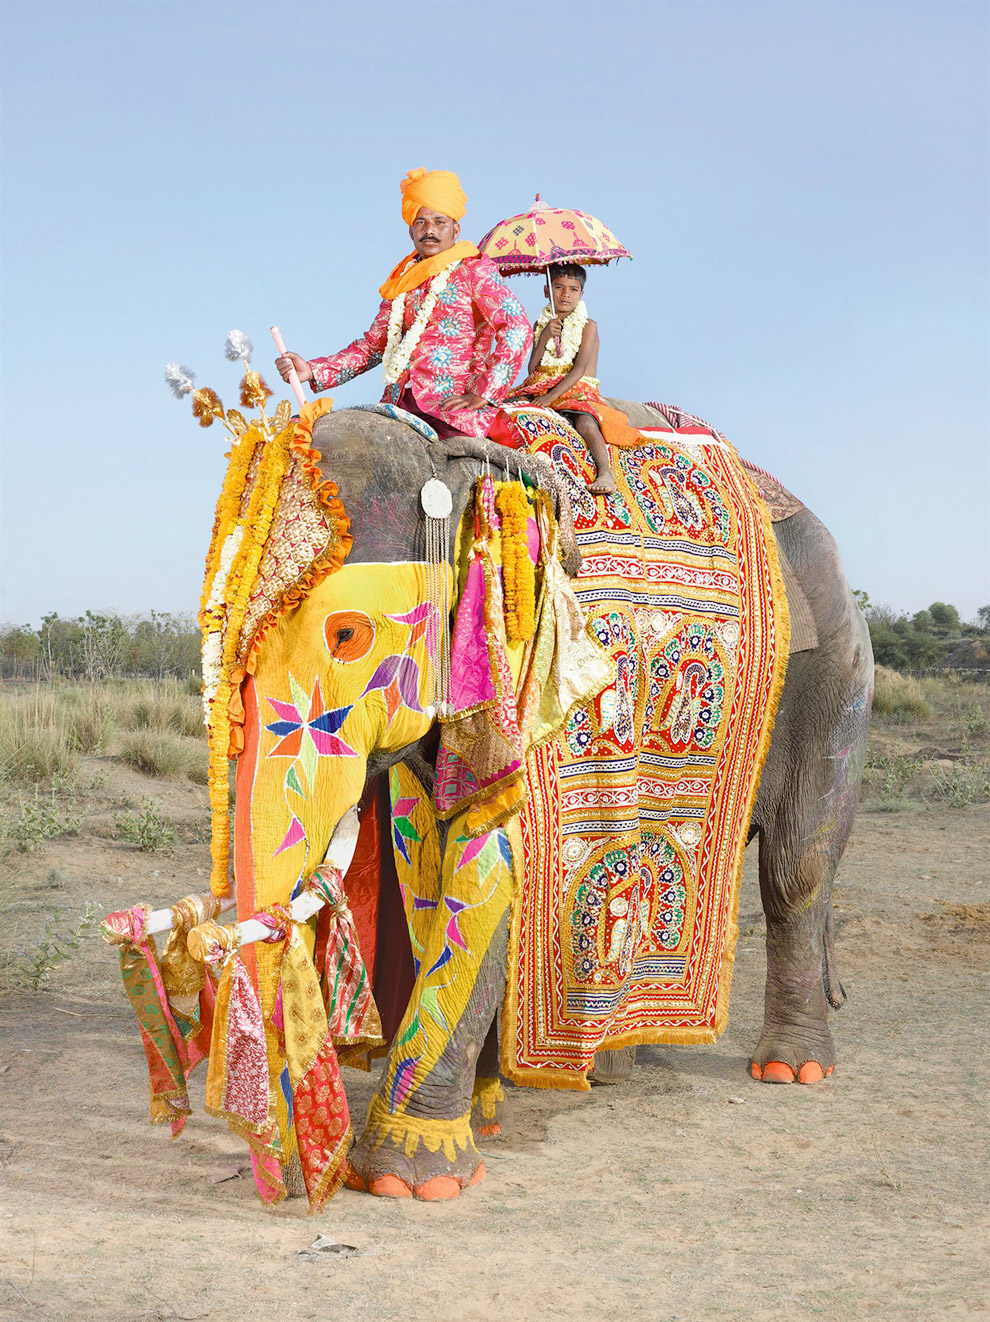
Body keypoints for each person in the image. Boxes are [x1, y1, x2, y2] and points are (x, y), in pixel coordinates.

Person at [275, 168, 531, 447]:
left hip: (453, 410)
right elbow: (373, 346)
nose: (429, 230)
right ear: (411, 229)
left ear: (456, 229)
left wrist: (484, 391)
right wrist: (312, 370)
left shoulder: (474, 270)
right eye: (421, 222)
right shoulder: (402, 282)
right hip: (400, 407)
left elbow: (518, 328)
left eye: (439, 221)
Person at [508, 264, 641, 495]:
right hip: (542, 383)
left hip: (577, 388)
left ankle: (605, 472)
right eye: (558, 287)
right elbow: (532, 368)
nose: (565, 294)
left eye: (573, 289)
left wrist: (551, 397)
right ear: (547, 291)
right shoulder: (542, 325)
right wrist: (545, 337)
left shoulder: (588, 326)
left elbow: (579, 369)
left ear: (581, 294)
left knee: (585, 422)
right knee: (508, 407)